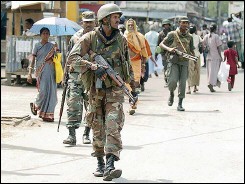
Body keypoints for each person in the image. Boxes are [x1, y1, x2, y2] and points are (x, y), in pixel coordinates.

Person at [67, 3, 136, 181]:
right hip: (95, 90)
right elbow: (72, 59)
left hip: (115, 90)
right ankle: (100, 163)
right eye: (115, 17)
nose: (118, 20)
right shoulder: (90, 38)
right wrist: (92, 66)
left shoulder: (121, 39)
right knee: (97, 127)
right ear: (105, 19)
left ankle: (111, 164)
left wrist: (133, 89)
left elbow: (127, 65)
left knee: (113, 125)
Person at [63, 11, 96, 146]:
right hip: (75, 76)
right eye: (86, 22)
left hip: (92, 77)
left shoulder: (98, 38)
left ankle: (86, 134)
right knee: (72, 105)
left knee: (92, 107)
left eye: (90, 22)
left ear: (95, 22)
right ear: (81, 22)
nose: (88, 24)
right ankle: (71, 135)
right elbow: (69, 57)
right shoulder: (75, 38)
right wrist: (65, 75)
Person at [159, 16, 196, 111]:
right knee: (172, 82)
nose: (185, 25)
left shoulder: (189, 37)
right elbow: (161, 44)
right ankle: (171, 94)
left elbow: (191, 50)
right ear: (179, 23)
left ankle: (180, 103)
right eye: (183, 22)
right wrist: (169, 49)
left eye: (187, 23)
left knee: (183, 84)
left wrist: (194, 60)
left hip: (184, 62)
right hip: (173, 61)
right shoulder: (172, 34)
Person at [27, 27, 58, 122]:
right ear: (40, 35)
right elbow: (32, 59)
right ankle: (35, 105)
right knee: (43, 91)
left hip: (51, 71)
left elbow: (58, 59)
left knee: (52, 93)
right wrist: (29, 73)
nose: (46, 35)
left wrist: (56, 51)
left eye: (47, 33)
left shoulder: (53, 46)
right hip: (41, 71)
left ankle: (47, 115)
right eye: (44, 33)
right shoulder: (37, 45)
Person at [124, 18, 150, 115]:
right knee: (127, 84)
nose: (130, 27)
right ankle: (131, 102)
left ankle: (132, 104)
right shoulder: (123, 36)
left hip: (137, 63)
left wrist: (143, 65)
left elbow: (144, 52)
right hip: (126, 63)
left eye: (132, 25)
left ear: (135, 26)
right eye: (129, 25)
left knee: (135, 83)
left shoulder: (140, 37)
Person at [203, 24, 223, 92]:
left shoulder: (206, 36)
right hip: (215, 56)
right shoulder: (216, 36)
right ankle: (211, 84)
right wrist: (221, 56)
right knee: (214, 72)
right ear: (215, 29)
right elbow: (219, 47)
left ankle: (210, 83)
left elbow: (203, 45)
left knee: (209, 71)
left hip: (208, 56)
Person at [186, 25, 202, 94]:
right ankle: (195, 87)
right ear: (195, 31)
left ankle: (189, 88)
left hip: (189, 56)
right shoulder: (198, 37)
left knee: (189, 72)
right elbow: (201, 44)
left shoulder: (187, 37)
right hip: (197, 56)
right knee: (197, 71)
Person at [157, 19, 172, 87]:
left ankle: (171, 80)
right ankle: (166, 81)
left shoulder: (172, 33)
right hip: (164, 54)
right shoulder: (161, 34)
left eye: (168, 25)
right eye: (165, 25)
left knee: (171, 67)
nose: (166, 26)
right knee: (165, 67)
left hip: (171, 53)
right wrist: (156, 54)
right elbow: (158, 44)